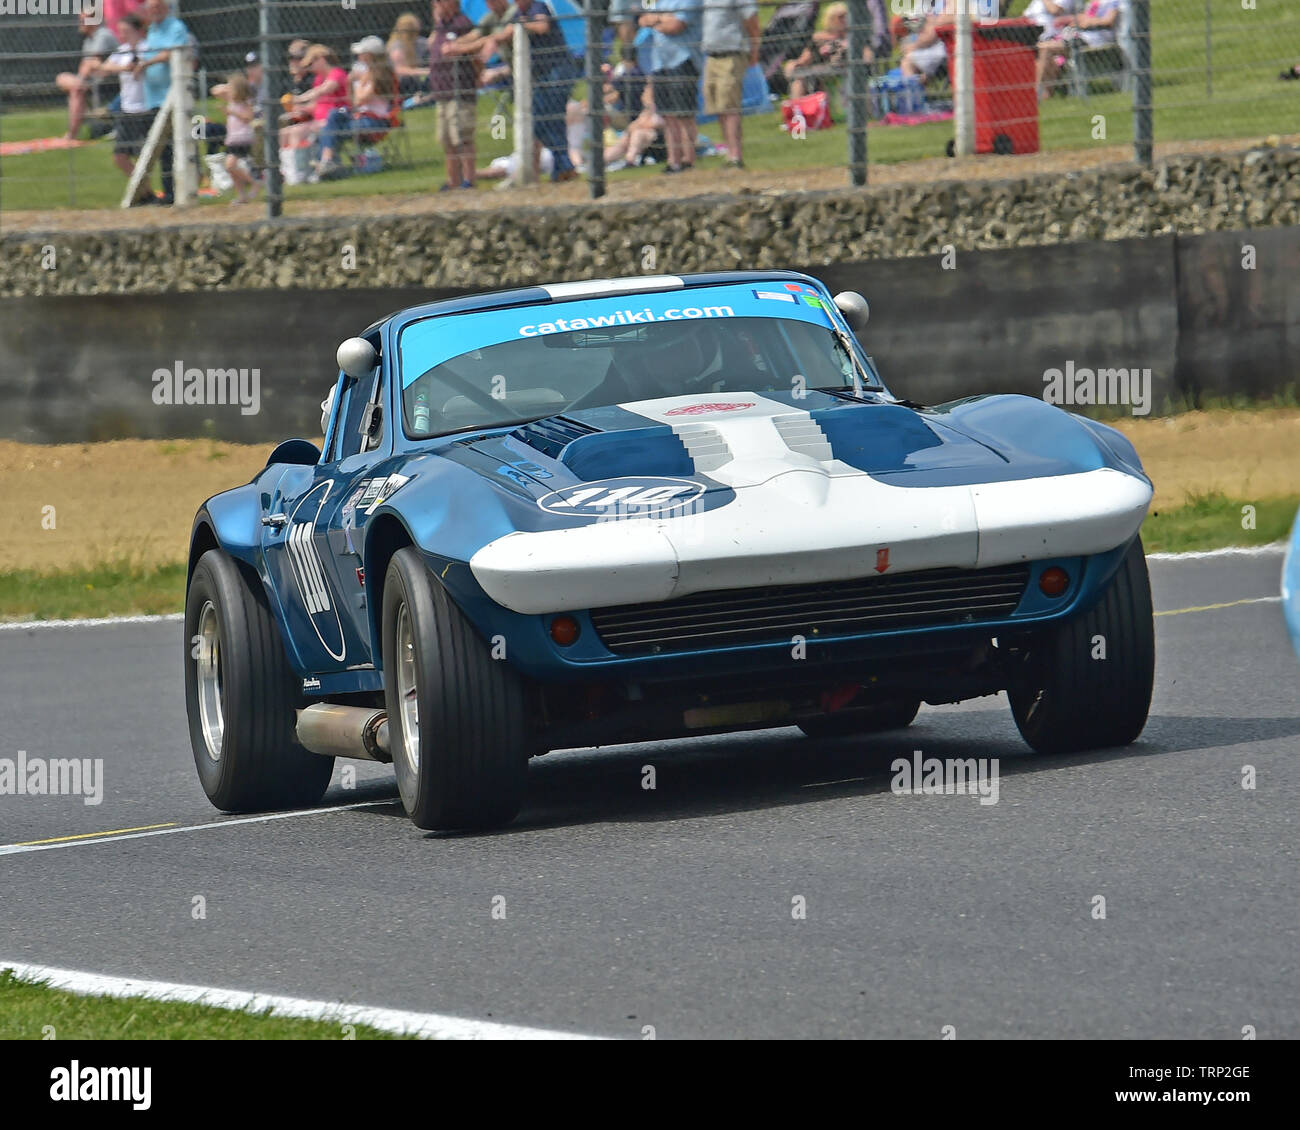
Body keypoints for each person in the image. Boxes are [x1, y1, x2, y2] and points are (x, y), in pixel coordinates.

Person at [132, 0, 191, 205]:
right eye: (151, 8)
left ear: (166, 7)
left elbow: (172, 53)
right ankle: (169, 193)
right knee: (162, 150)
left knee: (178, 146)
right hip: (153, 98)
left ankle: (181, 190)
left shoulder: (176, 27)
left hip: (173, 96)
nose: (154, 11)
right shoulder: (152, 30)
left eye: (158, 7)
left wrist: (147, 63)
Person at [518, 0, 579, 181]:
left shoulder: (537, 7)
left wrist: (523, 24)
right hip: (542, 75)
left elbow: (542, 26)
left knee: (549, 119)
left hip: (557, 71)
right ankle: (563, 167)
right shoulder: (518, 13)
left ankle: (564, 167)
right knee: (544, 122)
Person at [640, 0, 702, 175]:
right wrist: (661, 20)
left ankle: (688, 160)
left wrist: (655, 20)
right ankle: (673, 161)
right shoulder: (655, 1)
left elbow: (676, 26)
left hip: (682, 60)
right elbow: (643, 19)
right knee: (667, 115)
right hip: (659, 63)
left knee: (684, 114)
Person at [97, 13, 151, 204]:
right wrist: (124, 68)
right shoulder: (122, 51)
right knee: (120, 157)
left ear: (137, 30)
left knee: (150, 156)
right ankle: (146, 192)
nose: (122, 35)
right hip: (128, 110)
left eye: (125, 31)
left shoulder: (148, 48)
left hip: (147, 108)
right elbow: (105, 67)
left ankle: (151, 193)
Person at [428, 0, 481, 190]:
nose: (435, 4)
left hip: (459, 90)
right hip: (442, 91)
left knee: (462, 137)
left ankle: (469, 180)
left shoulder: (462, 24)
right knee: (447, 140)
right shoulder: (441, 25)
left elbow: (477, 51)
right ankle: (453, 181)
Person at [701, 0, 759, 170]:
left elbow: (752, 20)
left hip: (732, 53)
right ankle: (729, 154)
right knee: (718, 107)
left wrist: (754, 49)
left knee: (729, 105)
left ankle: (736, 157)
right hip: (711, 55)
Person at [1035, 0, 1122, 100]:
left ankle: (1038, 93)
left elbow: (1108, 21)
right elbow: (1084, 17)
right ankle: (1045, 94)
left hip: (1094, 39)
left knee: (1046, 49)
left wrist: (1088, 21)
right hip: (1080, 36)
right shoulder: (1095, 2)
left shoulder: (1113, 2)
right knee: (1043, 47)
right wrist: (1073, 19)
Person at [56, 11, 119, 140]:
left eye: (83, 20)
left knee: (76, 90)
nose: (80, 24)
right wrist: (81, 79)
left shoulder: (103, 35)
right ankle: (72, 134)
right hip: (92, 80)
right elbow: (86, 64)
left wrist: (81, 79)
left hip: (108, 81)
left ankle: (71, 135)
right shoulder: (89, 39)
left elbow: (92, 63)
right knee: (62, 78)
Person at [214, 72, 260, 202]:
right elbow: (214, 91)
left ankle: (254, 182)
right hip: (232, 139)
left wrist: (232, 112)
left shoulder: (245, 103)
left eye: (231, 88)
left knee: (230, 166)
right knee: (231, 169)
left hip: (242, 138)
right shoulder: (230, 100)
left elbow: (248, 118)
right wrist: (227, 86)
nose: (228, 91)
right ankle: (241, 195)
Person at [899, 0, 953, 84]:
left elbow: (933, 33)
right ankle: (919, 85)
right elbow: (919, 24)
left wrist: (915, 46)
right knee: (906, 47)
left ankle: (915, 92)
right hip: (931, 44)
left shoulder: (948, 3)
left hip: (945, 45)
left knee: (907, 63)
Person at [388, 13, 431, 97]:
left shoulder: (418, 42)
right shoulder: (396, 46)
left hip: (416, 80)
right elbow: (399, 70)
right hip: (402, 83)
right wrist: (422, 71)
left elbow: (430, 43)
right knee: (407, 79)